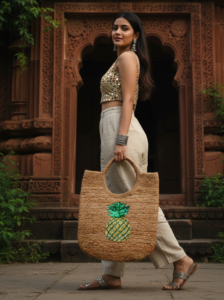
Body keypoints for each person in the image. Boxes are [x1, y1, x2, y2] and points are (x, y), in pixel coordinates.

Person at [78, 11, 199, 291]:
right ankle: (111, 273)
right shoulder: (121, 58)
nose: (117, 32)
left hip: (121, 128)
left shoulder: (127, 58)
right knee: (116, 201)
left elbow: (129, 100)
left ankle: (180, 259)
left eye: (125, 28)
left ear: (136, 35)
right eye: (115, 27)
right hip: (113, 126)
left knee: (136, 201)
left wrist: (120, 139)